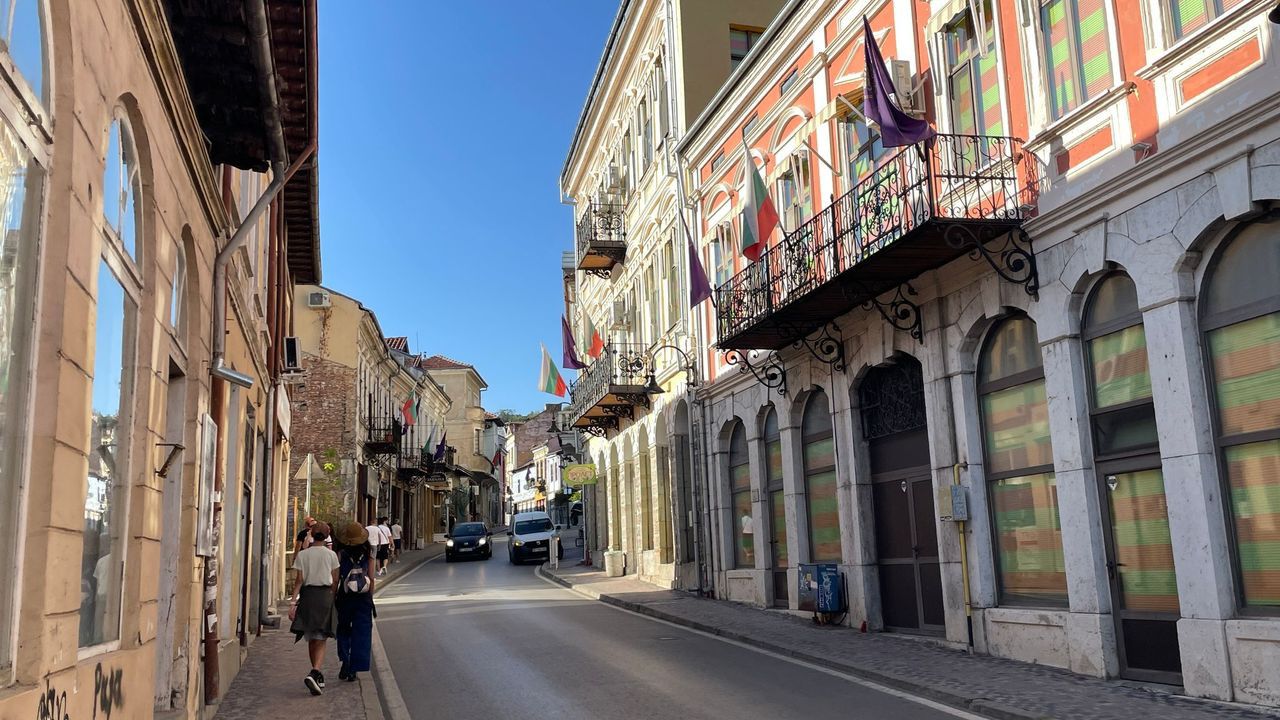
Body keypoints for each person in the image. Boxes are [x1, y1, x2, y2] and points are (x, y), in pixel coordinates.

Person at [289, 522, 339, 696]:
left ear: (311, 535)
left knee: (311, 637)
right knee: (321, 636)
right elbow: (335, 579)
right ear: (326, 536)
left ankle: (316, 673)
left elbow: (299, 581)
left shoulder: (303, 555)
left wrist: (292, 603)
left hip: (308, 597)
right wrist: (332, 598)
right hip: (325, 596)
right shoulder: (331, 555)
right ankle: (315, 672)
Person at [333, 522, 376, 682]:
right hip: (363, 597)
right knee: (362, 632)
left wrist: (333, 598)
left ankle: (345, 660)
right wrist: (370, 597)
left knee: (343, 629)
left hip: (345, 597)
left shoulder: (340, 553)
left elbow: (336, 579)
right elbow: (371, 578)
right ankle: (354, 668)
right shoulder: (368, 552)